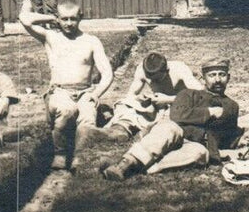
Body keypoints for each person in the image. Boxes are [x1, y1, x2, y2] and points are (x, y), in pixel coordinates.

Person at [100, 59, 241, 180]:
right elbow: (178, 115)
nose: (217, 80)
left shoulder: (232, 106)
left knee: (200, 153)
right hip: (176, 135)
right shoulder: (187, 94)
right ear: (202, 79)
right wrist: (208, 112)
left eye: (222, 75)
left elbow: (225, 133)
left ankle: (134, 168)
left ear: (228, 77)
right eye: (212, 75)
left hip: (197, 144)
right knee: (169, 127)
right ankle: (124, 164)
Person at [20, 0, 114, 170]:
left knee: (87, 119)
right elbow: (24, 18)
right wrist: (51, 17)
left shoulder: (91, 41)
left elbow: (107, 73)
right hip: (60, 92)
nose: (69, 24)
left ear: (81, 17)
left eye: (73, 19)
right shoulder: (51, 37)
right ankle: (60, 153)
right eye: (64, 19)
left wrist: (96, 94)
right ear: (58, 19)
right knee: (66, 111)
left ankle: (79, 155)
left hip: (85, 91)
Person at [99, 51, 202, 141]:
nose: (153, 82)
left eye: (157, 79)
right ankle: (120, 129)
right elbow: (131, 95)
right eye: (150, 79)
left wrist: (168, 99)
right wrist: (141, 98)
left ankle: (148, 131)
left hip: (178, 106)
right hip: (158, 107)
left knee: (172, 118)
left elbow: (200, 95)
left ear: (167, 71)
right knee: (124, 104)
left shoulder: (179, 69)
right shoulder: (141, 69)